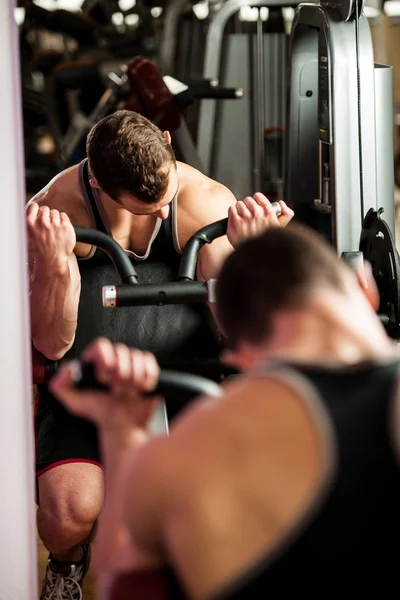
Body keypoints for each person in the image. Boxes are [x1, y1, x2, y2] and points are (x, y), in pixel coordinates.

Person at [51, 223, 400, 599]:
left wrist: (121, 434)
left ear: (238, 356)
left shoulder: (179, 458)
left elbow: (123, 587)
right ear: (366, 286)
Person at [27, 109, 294, 599]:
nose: (166, 215)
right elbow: (51, 343)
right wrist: (53, 267)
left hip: (186, 372)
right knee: (69, 516)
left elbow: (240, 336)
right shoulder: (58, 211)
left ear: (168, 141)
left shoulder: (206, 201)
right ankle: (65, 565)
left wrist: (257, 257)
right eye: (150, 209)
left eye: (168, 197)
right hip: (90, 378)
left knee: (211, 508)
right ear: (99, 185)